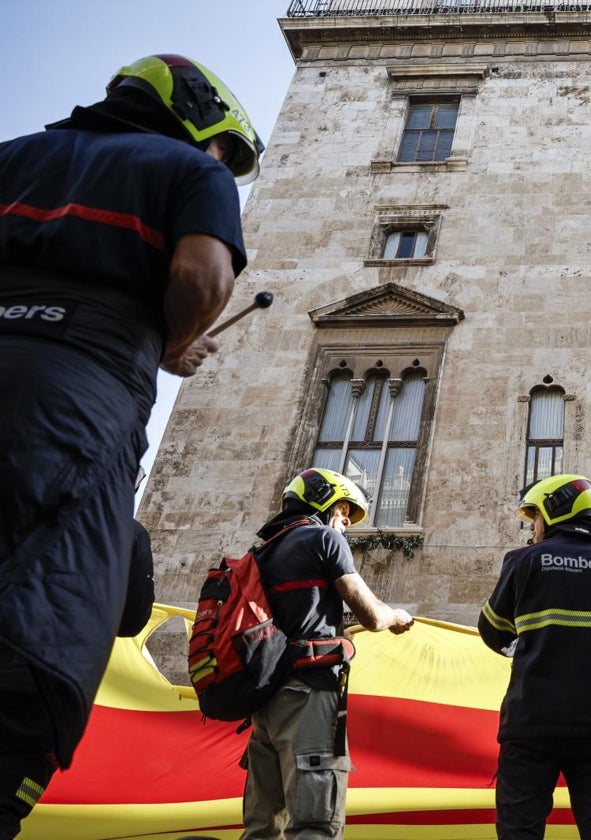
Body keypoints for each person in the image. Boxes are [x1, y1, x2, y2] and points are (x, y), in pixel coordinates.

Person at [0, 54, 263, 837]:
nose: (222, 164)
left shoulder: (14, 154)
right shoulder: (185, 168)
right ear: (198, 117)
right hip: (73, 404)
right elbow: (202, 273)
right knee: (39, 628)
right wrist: (174, 343)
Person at [478, 474, 591, 840]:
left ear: (552, 511)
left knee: (520, 832)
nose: (532, 528)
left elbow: (492, 631)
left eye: (534, 517)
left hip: (530, 724)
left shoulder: (522, 561)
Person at [241, 468, 415, 839]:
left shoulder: (262, 551)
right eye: (344, 513)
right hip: (308, 694)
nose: (347, 524)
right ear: (328, 504)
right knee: (314, 824)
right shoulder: (323, 539)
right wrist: (397, 616)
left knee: (261, 828)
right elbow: (371, 615)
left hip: (264, 704)